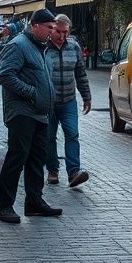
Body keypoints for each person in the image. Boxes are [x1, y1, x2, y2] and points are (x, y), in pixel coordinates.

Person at [0, 8, 60, 224]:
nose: (52, 32)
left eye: (54, 28)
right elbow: (5, 75)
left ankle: (34, 202)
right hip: (22, 112)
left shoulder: (41, 48)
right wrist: (32, 94)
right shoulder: (19, 45)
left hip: (40, 113)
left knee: (36, 159)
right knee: (17, 157)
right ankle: (4, 206)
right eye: (49, 28)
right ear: (35, 26)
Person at [45, 14, 92, 187]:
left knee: (72, 135)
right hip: (49, 102)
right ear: (52, 29)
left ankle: (74, 171)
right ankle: (52, 169)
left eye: (65, 32)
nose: (62, 36)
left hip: (69, 101)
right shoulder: (44, 48)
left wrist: (86, 97)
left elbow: (80, 74)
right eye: (58, 31)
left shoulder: (74, 47)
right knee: (49, 137)